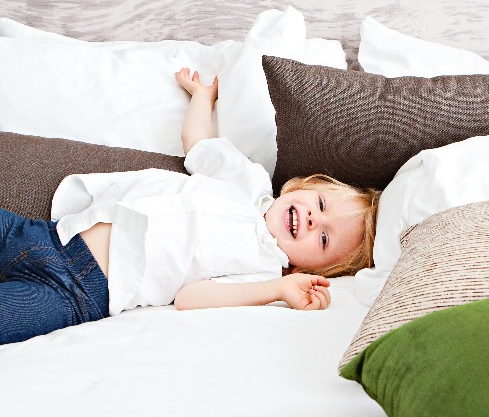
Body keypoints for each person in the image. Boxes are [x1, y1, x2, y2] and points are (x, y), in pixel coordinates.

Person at [0, 67, 380, 345]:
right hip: (49, 235)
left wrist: (279, 289)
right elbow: (198, 144)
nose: (315, 219)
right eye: (320, 203)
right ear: (302, 187)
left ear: (312, 268)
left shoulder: (262, 269)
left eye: (325, 238)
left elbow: (191, 298)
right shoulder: (247, 181)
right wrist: (202, 98)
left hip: (78, 292)